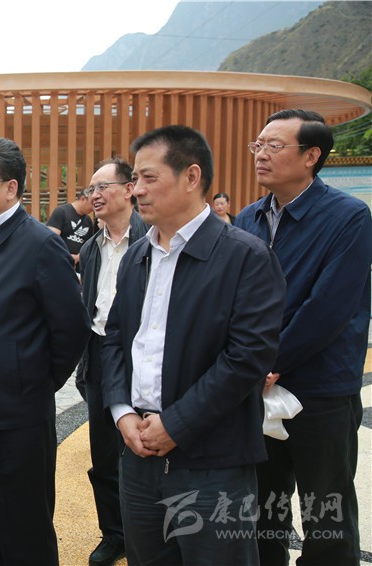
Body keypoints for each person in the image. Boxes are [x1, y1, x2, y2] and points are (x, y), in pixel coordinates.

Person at [102, 125, 286, 565]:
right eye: (135, 179)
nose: (137, 190)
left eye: (149, 178)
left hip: (213, 462)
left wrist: (176, 424)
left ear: (191, 176)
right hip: (138, 455)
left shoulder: (245, 256)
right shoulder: (137, 256)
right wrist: (122, 412)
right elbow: (114, 339)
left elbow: (247, 357)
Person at [235, 109, 372, 566]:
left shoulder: (349, 217)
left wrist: (268, 361)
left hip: (320, 388)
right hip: (259, 386)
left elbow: (328, 307)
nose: (261, 154)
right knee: (262, 508)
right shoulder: (249, 218)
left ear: (311, 156)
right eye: (258, 145)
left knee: (326, 510)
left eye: (274, 146)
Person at [0, 137, 89, 565]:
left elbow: (71, 330)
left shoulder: (40, 245)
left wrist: (32, 383)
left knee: (23, 533)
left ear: (11, 188)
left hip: (16, 421)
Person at [76, 157, 147, 566]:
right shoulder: (91, 248)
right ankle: (114, 534)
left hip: (142, 356)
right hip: (100, 355)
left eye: (103, 187)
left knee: (142, 451)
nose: (95, 195)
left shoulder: (151, 237)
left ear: (129, 189)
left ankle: (146, 535)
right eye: (91, 189)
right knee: (103, 456)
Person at [47, 187, 96, 265]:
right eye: (92, 204)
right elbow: (51, 239)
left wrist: (78, 257)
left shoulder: (88, 220)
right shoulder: (61, 212)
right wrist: (65, 256)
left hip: (78, 265)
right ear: (83, 199)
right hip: (58, 261)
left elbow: (89, 245)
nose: (94, 207)